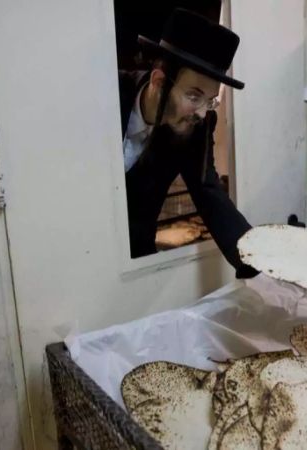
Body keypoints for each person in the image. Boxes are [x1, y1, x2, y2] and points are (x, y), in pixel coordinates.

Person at [120, 8, 256, 278]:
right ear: (159, 81)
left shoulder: (197, 126)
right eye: (194, 96)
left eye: (210, 100)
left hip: (136, 267)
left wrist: (257, 262)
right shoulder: (110, 93)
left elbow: (209, 193)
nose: (203, 113)